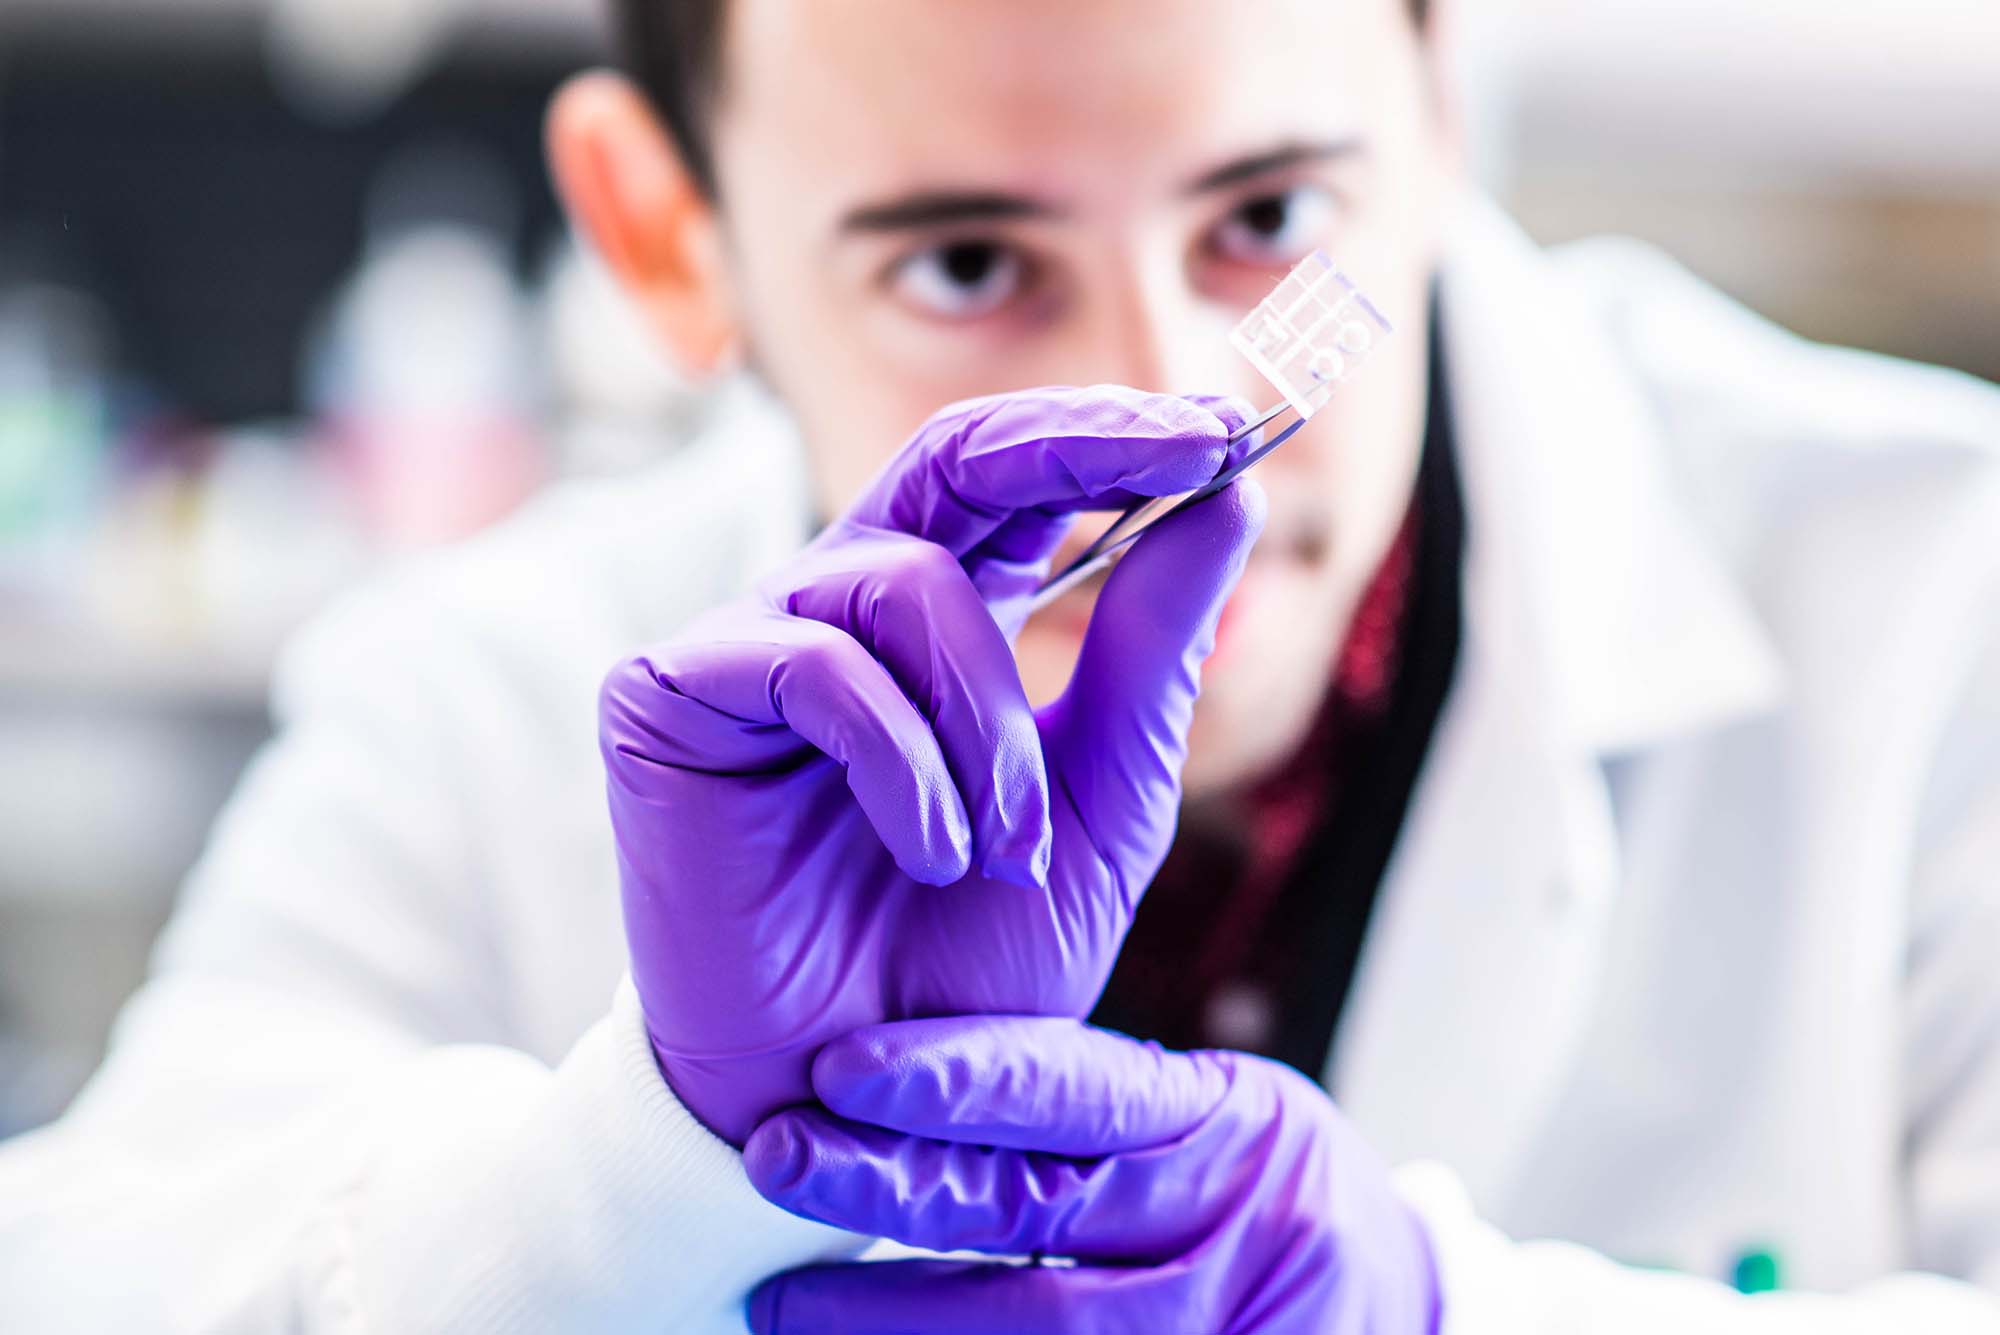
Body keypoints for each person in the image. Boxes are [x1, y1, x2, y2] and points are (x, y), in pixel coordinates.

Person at [5, 0, 2000, 1329]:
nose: (1168, 398)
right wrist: (636, 1164)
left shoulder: (1938, 598)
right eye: (964, 264)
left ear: (1441, 97)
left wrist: (1427, 1305)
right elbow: (98, 1272)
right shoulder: (488, 695)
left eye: (1270, 218)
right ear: (665, 230)